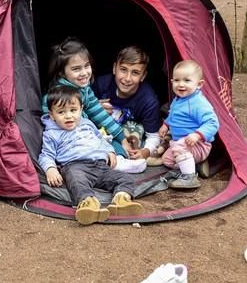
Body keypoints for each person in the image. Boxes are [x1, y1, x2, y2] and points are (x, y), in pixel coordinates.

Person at [38, 86, 144, 225]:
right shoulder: (51, 133)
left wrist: (110, 151)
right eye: (61, 112)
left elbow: (101, 139)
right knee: (77, 182)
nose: (68, 116)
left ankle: (121, 201)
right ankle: (88, 205)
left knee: (125, 179)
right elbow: (46, 154)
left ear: (81, 109)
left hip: (100, 165)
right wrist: (50, 169)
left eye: (73, 110)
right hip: (75, 166)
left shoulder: (87, 124)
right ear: (52, 115)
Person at [42, 37, 146, 173]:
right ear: (62, 72)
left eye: (86, 66)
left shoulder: (84, 89)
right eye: (76, 69)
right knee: (99, 142)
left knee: (113, 141)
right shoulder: (57, 96)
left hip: (83, 131)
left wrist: (121, 137)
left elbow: (99, 113)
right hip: (69, 140)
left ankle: (120, 159)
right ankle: (114, 165)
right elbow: (51, 126)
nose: (84, 73)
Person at [92, 46, 162, 160]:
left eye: (135, 73)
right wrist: (94, 108)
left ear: (143, 76)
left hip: (128, 135)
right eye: (123, 70)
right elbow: (77, 106)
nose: (127, 78)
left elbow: (153, 135)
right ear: (115, 68)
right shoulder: (101, 84)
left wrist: (145, 152)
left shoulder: (148, 100)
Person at [160, 60, 219, 189]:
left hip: (198, 144)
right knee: (167, 160)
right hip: (183, 145)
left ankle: (190, 178)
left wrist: (198, 135)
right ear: (172, 82)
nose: (181, 84)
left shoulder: (198, 103)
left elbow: (213, 123)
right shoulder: (179, 99)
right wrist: (166, 125)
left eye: (187, 80)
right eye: (177, 80)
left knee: (179, 147)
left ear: (199, 84)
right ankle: (194, 166)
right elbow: (173, 114)